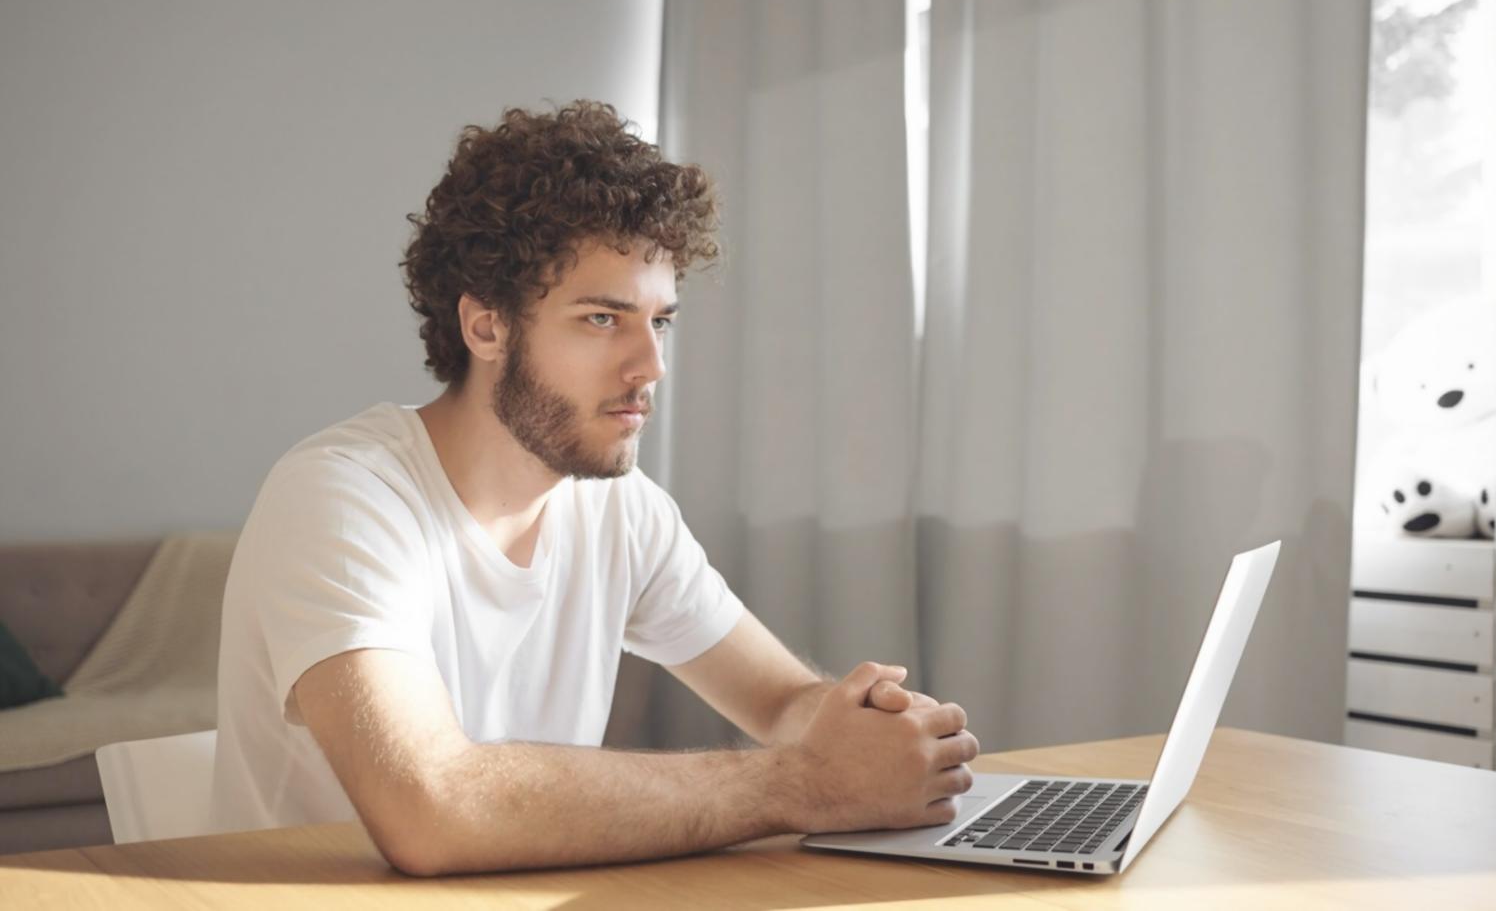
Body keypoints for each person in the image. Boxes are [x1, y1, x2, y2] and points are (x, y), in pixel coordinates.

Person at [208, 101, 977, 876]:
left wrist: (864, 730)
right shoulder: (343, 499)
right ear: (485, 327)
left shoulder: (622, 509)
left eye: (659, 321)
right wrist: (806, 783)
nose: (651, 366)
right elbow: (430, 809)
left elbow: (780, 701)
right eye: (603, 319)